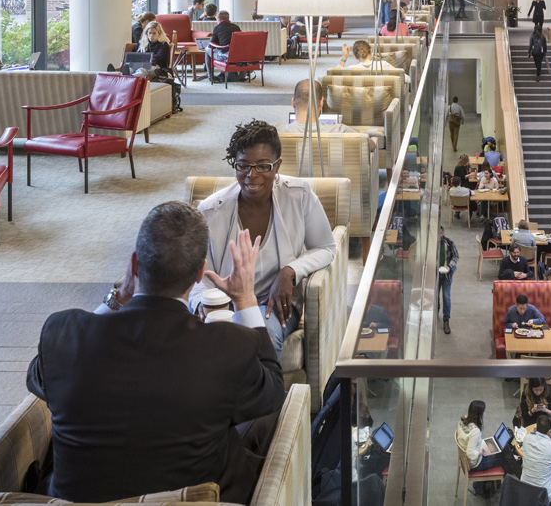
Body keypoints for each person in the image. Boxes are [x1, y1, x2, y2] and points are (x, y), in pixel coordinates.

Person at [27, 202, 284, 503]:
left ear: (135, 265)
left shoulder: (63, 335)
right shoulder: (228, 346)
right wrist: (245, 297)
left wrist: (117, 297)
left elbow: (40, 378)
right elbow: (273, 390)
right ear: (200, 272)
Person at [192, 121, 337, 352]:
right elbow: (198, 274)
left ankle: (265, 389)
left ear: (277, 166)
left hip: (272, 304)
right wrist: (201, 303)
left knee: (261, 336)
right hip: (224, 303)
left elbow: (326, 247)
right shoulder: (210, 210)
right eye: (243, 165)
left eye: (263, 166)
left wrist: (289, 272)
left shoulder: (299, 196)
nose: (252, 175)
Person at [276, 79, 377, 153]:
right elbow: (371, 145)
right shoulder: (340, 130)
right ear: (321, 103)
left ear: (293, 102)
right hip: (332, 182)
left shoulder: (275, 132)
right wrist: (355, 132)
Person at [455, 399, 501, 492]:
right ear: (479, 414)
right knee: (502, 457)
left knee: (499, 450)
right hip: (475, 464)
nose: (485, 414)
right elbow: (471, 455)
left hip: (465, 459)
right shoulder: (475, 431)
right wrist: (483, 451)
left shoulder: (462, 420)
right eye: (483, 412)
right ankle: (494, 487)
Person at [437, 228, 458, 335]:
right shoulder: (430, 245)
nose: (439, 235)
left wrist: (449, 266)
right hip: (434, 275)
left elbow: (455, 256)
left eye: (440, 232)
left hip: (446, 275)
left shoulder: (449, 243)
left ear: (443, 233)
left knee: (446, 296)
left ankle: (446, 320)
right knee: (435, 296)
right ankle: (435, 313)